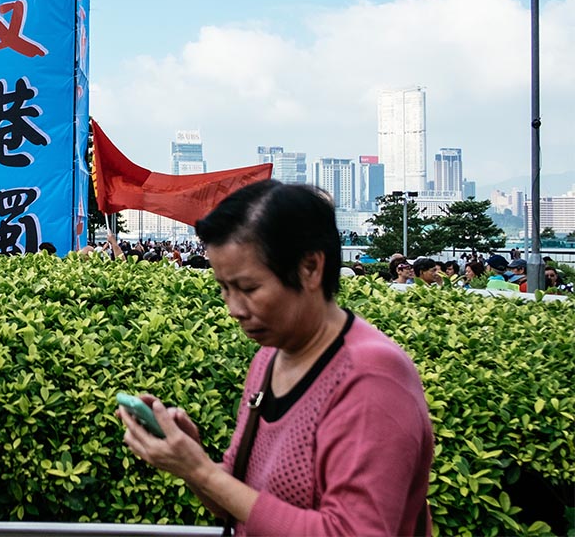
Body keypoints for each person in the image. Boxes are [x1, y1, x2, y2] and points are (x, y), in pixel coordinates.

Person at [118, 181, 433, 534]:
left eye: (249, 288)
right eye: (224, 288)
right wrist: (191, 460)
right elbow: (239, 507)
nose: (234, 309)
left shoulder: (372, 377)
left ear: (310, 268)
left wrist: (200, 471)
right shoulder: (269, 359)